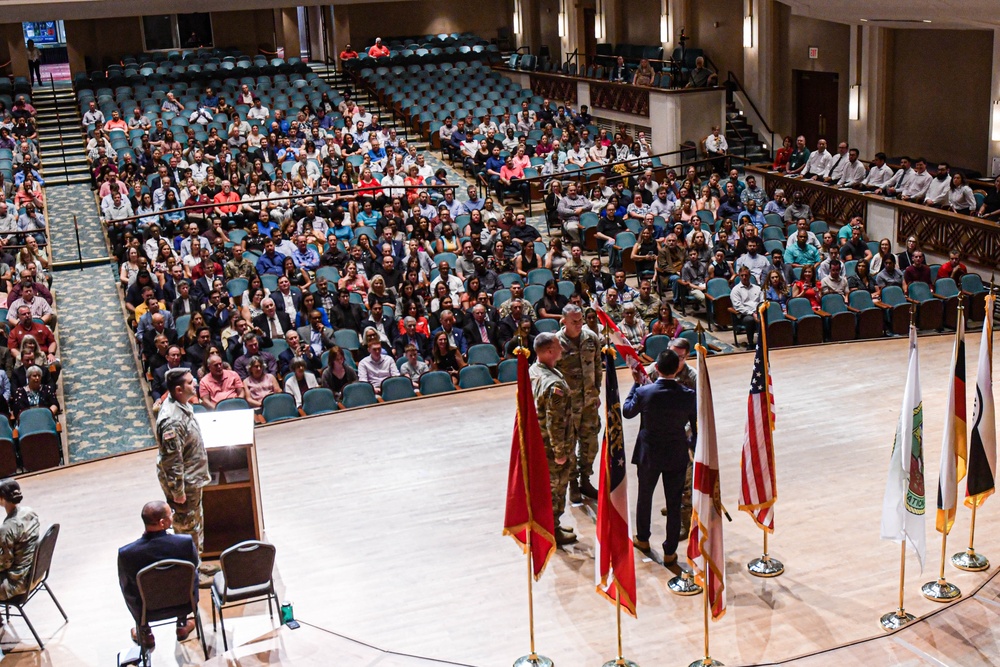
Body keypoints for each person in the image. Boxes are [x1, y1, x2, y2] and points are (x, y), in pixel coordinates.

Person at [622, 350, 696, 565]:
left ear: (656, 369)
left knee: (644, 497)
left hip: (649, 454)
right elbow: (695, 423)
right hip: (676, 453)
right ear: (677, 369)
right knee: (674, 504)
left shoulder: (645, 392)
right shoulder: (688, 394)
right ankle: (670, 552)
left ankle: (643, 539)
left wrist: (636, 385)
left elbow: (627, 411)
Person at [154, 368, 217, 584]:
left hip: (192, 479)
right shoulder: (171, 420)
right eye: (191, 383)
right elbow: (172, 461)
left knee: (195, 522)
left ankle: (196, 563)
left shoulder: (183, 405)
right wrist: (177, 491)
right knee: (186, 527)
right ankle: (191, 575)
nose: (196, 384)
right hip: (184, 483)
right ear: (178, 389)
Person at [118, 500, 200, 649]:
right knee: (191, 574)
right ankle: (182, 623)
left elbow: (127, 589)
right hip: (183, 604)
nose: (173, 517)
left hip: (147, 611)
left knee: (128, 588)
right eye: (171, 514)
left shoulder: (127, 554)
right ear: (163, 522)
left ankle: (145, 632)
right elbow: (195, 569)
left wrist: (140, 616)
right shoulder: (185, 544)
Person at [530, 332, 576, 545]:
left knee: (548, 487)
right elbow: (554, 422)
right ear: (549, 351)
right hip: (552, 446)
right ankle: (552, 529)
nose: (562, 348)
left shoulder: (535, 370)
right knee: (556, 488)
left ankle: (551, 524)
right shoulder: (553, 384)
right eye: (558, 346)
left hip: (539, 441)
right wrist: (560, 453)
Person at [554, 304, 601, 503]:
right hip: (568, 405)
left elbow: (598, 366)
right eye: (574, 322)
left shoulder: (591, 338)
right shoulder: (556, 342)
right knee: (570, 445)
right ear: (563, 321)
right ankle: (573, 483)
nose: (579, 324)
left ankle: (586, 478)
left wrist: (597, 391)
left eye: (581, 320)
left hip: (589, 401)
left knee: (590, 443)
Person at [0, 478, 39, 603]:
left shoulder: (7, 527)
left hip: (18, 584)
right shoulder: (30, 512)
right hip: (36, 573)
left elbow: (5, 563)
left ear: (2, 499)